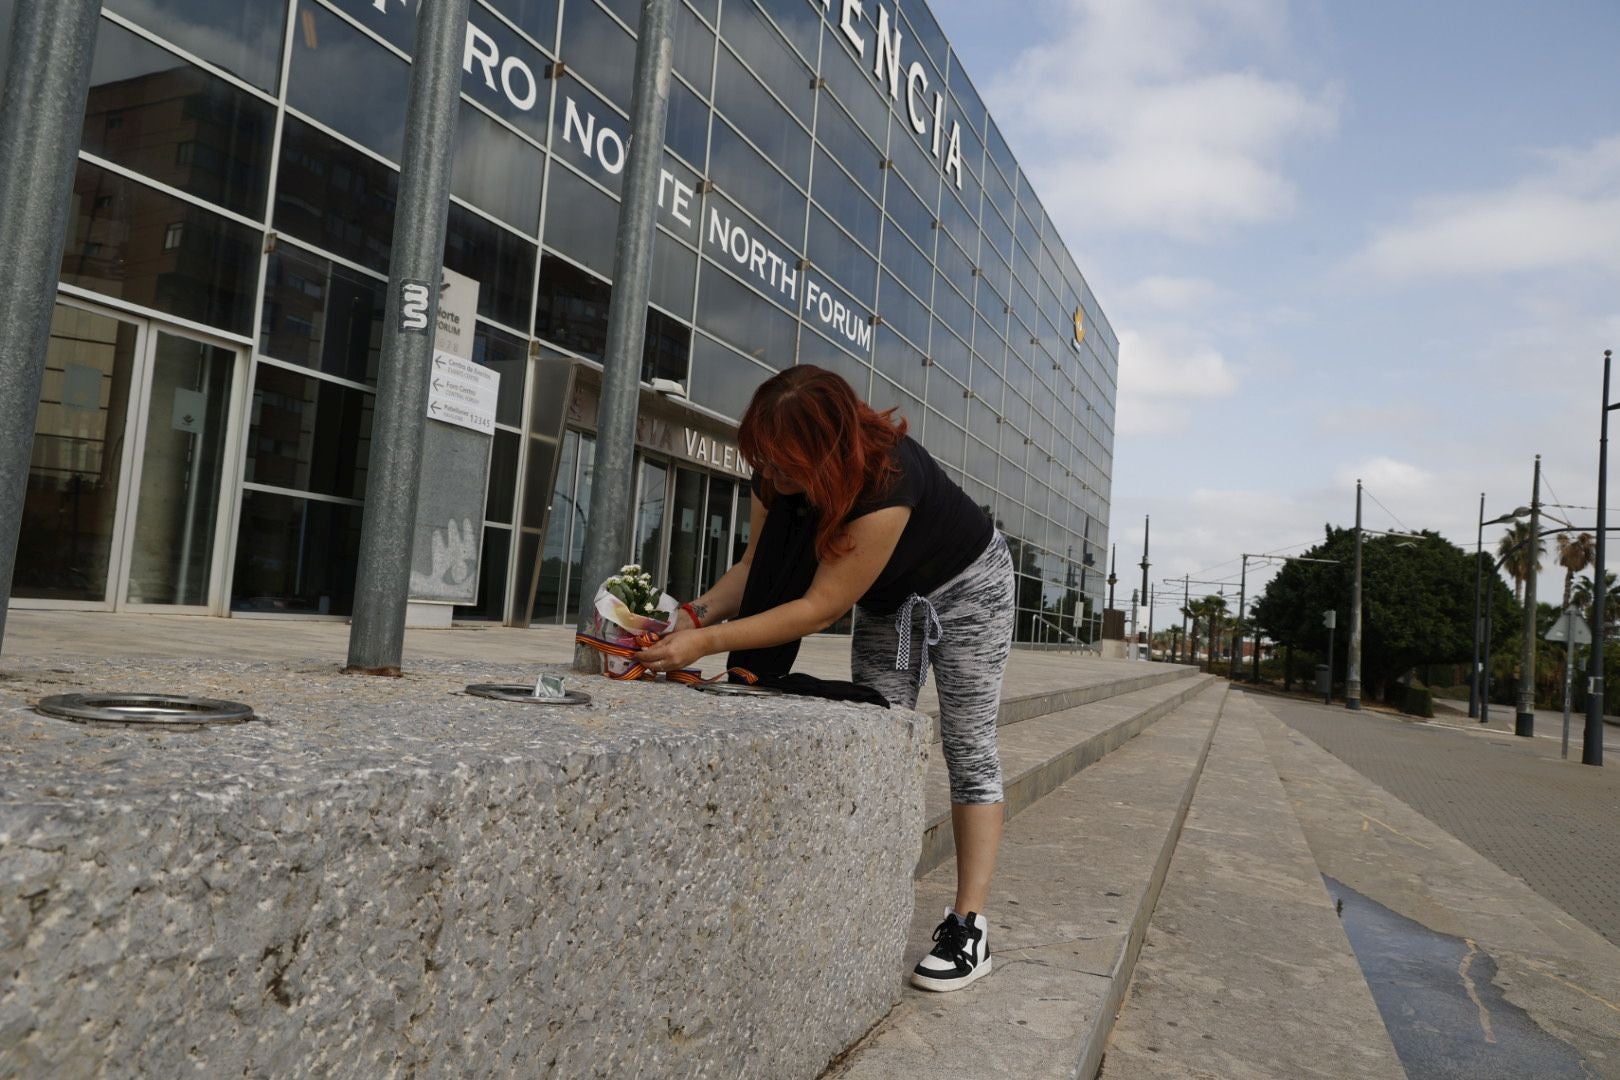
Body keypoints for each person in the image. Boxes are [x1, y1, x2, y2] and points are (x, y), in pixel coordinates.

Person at [636, 365, 1015, 992]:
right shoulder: (777, 473)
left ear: (828, 450)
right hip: (894, 602)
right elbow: (756, 566)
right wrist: (689, 613)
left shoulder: (886, 483)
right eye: (766, 464)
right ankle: (864, 895)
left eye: (786, 468)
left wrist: (703, 643)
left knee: (969, 746)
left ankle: (968, 925)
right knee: (879, 728)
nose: (774, 481)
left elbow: (819, 607)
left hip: (968, 587)